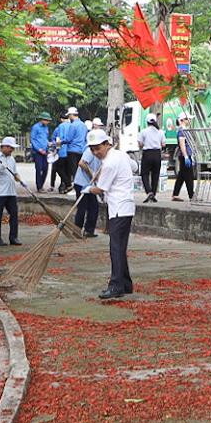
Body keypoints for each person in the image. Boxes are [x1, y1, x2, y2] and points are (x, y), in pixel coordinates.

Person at [85, 129, 136, 299]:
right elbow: (134, 166)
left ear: (107, 144)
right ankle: (126, 284)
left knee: (116, 248)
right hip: (124, 207)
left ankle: (116, 285)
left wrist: (89, 189)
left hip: (119, 208)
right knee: (120, 247)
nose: (95, 152)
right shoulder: (120, 156)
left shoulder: (110, 163)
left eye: (98, 148)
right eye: (92, 149)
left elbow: (101, 188)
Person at [0, 137, 22, 246]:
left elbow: (15, 173)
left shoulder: (12, 159)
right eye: (10, 148)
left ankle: (13, 237)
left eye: (13, 148)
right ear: (4, 147)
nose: (12, 150)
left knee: (14, 214)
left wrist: (19, 178)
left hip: (11, 191)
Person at [73, 144, 101, 238]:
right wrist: (91, 174)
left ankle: (89, 230)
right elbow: (82, 163)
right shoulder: (90, 151)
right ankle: (77, 231)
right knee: (82, 208)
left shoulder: (104, 155)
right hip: (81, 183)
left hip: (90, 185)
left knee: (94, 207)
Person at [137, 114, 166, 203]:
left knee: (144, 173)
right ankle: (153, 193)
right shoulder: (160, 132)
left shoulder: (143, 131)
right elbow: (164, 144)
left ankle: (149, 191)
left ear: (147, 122)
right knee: (155, 174)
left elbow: (140, 144)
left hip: (147, 154)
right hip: (157, 154)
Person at [172, 112, 196, 202]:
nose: (189, 120)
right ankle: (191, 195)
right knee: (189, 176)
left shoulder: (185, 130)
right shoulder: (182, 131)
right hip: (184, 155)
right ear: (182, 120)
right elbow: (182, 145)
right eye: (187, 119)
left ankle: (175, 194)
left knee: (181, 176)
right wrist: (186, 156)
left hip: (186, 155)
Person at [65, 106, 87, 188]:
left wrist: (61, 141)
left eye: (69, 115)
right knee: (80, 170)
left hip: (72, 150)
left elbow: (69, 139)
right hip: (81, 150)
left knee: (73, 170)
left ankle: (76, 187)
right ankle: (81, 186)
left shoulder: (73, 125)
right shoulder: (83, 125)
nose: (68, 117)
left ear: (71, 115)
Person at [31, 112, 52, 193]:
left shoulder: (46, 128)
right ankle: (39, 187)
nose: (47, 122)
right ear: (42, 119)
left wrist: (48, 144)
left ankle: (42, 185)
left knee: (45, 169)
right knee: (39, 169)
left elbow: (45, 138)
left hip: (45, 151)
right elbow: (33, 139)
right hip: (38, 152)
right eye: (46, 120)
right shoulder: (35, 127)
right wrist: (38, 149)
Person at [52, 113, 72, 193]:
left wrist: (56, 150)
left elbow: (58, 140)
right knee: (67, 171)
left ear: (61, 119)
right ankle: (65, 187)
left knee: (59, 169)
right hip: (70, 151)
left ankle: (68, 184)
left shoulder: (60, 126)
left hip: (62, 152)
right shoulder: (72, 126)